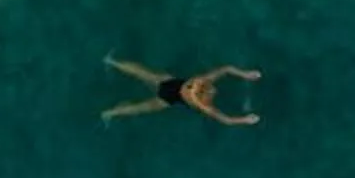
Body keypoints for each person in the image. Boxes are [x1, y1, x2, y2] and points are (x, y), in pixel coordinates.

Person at [102, 57, 262, 126]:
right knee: (140, 108)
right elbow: (225, 119)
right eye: (212, 91)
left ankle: (111, 62)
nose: (214, 90)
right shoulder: (203, 105)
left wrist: (246, 74)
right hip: (168, 99)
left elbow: (227, 69)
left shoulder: (201, 81)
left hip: (170, 82)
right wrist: (245, 120)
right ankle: (109, 113)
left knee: (143, 73)